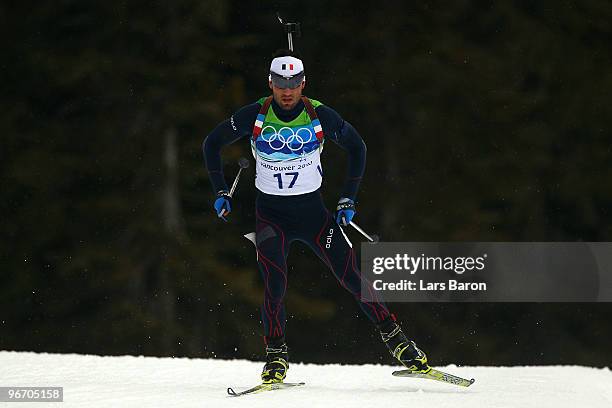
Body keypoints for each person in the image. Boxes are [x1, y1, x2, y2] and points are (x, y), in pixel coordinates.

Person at [203, 49, 429, 384]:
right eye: (280, 82)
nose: (287, 90)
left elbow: (357, 147)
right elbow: (212, 143)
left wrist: (347, 199)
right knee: (274, 284)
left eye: (294, 83)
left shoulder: (319, 115)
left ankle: (397, 341)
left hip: (313, 215)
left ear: (304, 83)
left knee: (351, 276)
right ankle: (276, 356)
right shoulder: (256, 114)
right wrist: (221, 190)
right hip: (270, 217)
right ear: (270, 82)